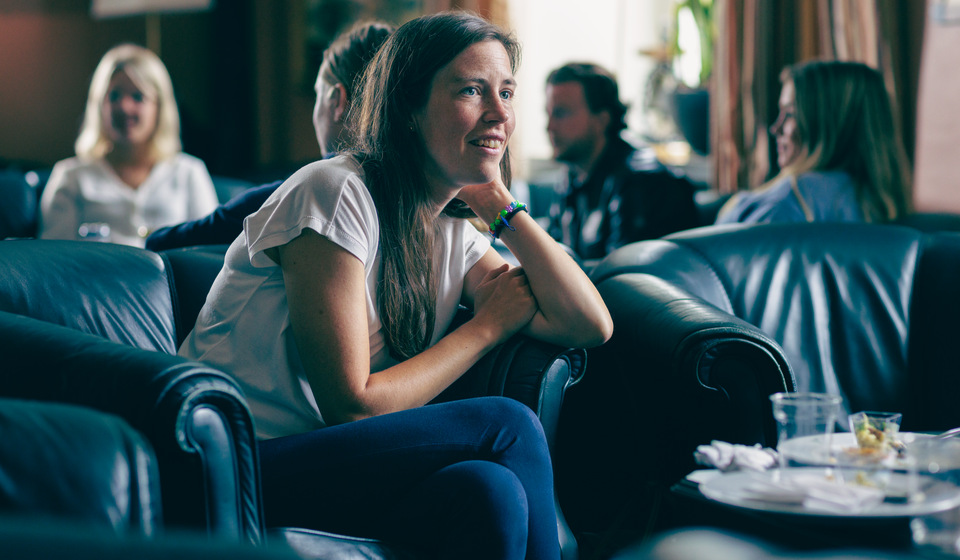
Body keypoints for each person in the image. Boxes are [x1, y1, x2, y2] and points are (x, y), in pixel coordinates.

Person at [179, 11, 613, 560]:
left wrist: (497, 201)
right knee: (505, 425)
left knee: (492, 491)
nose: (500, 112)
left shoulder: (450, 224)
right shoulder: (336, 193)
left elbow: (588, 324)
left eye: (506, 92)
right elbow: (352, 406)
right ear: (409, 108)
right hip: (236, 460)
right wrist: (484, 329)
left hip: (335, 460)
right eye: (472, 91)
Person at [145, 22, 395, 252]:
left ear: (336, 101)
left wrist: (151, 238)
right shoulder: (416, 195)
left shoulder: (302, 192)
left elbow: (171, 241)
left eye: (317, 95)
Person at [39, 44, 218, 247]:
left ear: (159, 107)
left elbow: (208, 254)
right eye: (114, 96)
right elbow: (54, 265)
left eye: (138, 97)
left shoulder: (190, 172)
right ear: (98, 105)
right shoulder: (69, 177)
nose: (124, 107)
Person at [715, 60, 912, 224]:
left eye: (790, 113)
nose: (776, 127)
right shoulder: (885, 209)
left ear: (828, 123)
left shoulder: (781, 204)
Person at [544, 62, 700, 261]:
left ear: (602, 119)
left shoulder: (642, 183)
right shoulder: (573, 175)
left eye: (561, 113)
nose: (549, 126)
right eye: (548, 113)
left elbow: (622, 277)